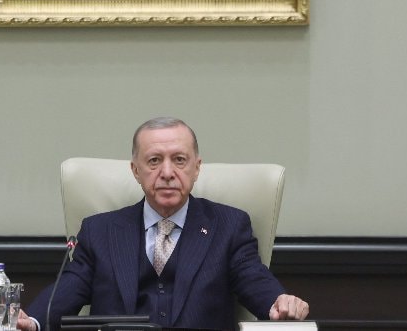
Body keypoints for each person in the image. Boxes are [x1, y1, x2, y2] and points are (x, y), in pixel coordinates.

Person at [16, 117, 309, 331]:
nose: (167, 172)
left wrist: (280, 302)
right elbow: (69, 288)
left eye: (179, 160)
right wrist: (33, 321)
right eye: (154, 161)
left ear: (196, 168)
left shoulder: (229, 226)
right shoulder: (100, 231)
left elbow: (252, 277)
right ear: (136, 170)